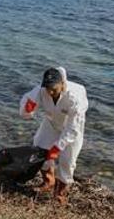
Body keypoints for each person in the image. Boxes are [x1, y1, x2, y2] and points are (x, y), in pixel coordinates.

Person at [19, 67, 88, 203]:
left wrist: (58, 147)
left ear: (63, 83)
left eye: (54, 89)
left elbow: (73, 128)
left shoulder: (75, 97)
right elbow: (26, 105)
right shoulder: (41, 90)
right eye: (47, 88)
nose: (50, 92)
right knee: (39, 150)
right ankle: (48, 181)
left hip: (71, 129)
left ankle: (60, 193)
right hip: (51, 124)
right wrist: (27, 109)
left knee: (67, 162)